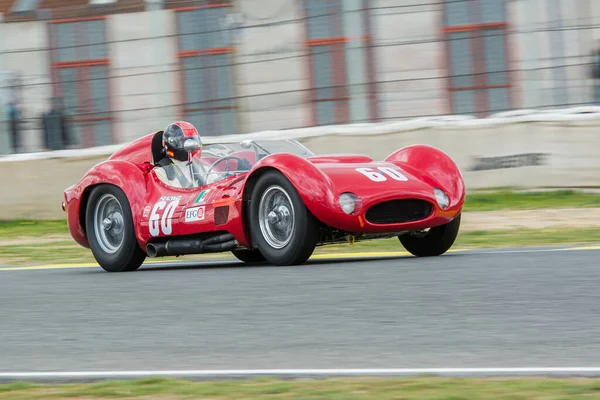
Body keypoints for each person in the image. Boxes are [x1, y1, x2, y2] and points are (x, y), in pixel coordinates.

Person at [154, 121, 205, 189]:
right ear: (172, 142)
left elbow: (214, 183)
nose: (191, 145)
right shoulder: (161, 171)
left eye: (192, 140)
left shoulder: (201, 167)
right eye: (183, 141)